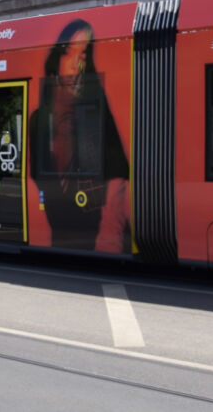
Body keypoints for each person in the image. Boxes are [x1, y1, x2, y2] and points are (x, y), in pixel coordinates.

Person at [29, 19, 131, 253]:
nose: (75, 65)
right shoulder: (39, 120)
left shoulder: (95, 109)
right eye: (68, 54)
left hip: (100, 238)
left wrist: (110, 235)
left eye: (83, 56)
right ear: (56, 61)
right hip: (61, 238)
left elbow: (117, 176)